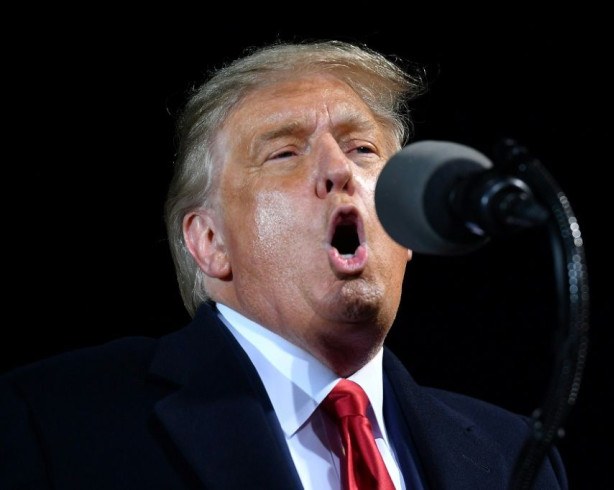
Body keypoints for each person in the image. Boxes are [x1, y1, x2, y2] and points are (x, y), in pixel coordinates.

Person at [0, 39, 568, 489]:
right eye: (285, 151)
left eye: (362, 148)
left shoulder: (512, 452)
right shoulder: (56, 419)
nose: (338, 169)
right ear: (210, 242)